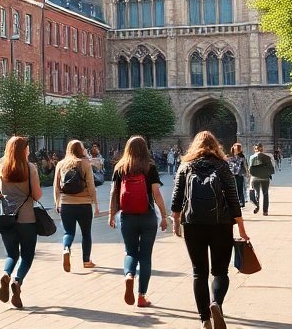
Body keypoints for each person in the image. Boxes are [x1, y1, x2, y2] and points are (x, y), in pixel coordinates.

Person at [172, 131, 248, 329]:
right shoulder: (222, 165)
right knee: (220, 271)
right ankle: (216, 303)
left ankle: (205, 319)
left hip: (192, 224)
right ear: (216, 145)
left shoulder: (185, 166)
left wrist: (176, 222)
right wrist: (241, 227)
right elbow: (233, 197)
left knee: (199, 273)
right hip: (221, 224)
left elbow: (177, 196)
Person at [109, 135, 167, 309]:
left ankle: (129, 275)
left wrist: (112, 214)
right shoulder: (150, 167)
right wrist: (164, 216)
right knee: (145, 257)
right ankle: (142, 297)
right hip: (147, 216)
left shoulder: (120, 167)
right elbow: (156, 194)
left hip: (127, 216)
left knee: (131, 252)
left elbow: (114, 193)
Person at [0, 136, 41, 308]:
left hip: (6, 218)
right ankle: (17, 281)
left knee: (12, 254)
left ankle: (6, 274)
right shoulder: (30, 168)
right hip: (27, 219)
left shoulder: (0, 168)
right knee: (27, 255)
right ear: (24, 150)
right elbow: (37, 195)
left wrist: (6, 195)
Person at [54, 139, 100, 272]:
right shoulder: (84, 163)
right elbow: (91, 185)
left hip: (66, 204)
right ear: (80, 150)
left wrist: (57, 203)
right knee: (86, 233)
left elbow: (56, 186)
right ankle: (86, 261)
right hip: (84, 204)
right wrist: (95, 203)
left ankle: (66, 248)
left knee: (68, 232)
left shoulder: (61, 164)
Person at [246, 144, 275, 215]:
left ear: (255, 149)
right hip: (265, 178)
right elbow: (272, 167)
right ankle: (265, 211)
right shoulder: (268, 156)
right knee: (265, 194)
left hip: (255, 178)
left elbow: (250, 169)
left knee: (257, 193)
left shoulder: (252, 157)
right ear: (262, 149)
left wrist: (250, 179)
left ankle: (257, 206)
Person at [227, 143, 248, 208]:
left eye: (238, 148)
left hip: (239, 174)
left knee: (240, 188)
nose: (237, 150)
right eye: (236, 148)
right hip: (232, 174)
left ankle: (241, 202)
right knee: (233, 189)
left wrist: (247, 173)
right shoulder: (230, 156)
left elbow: (245, 165)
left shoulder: (242, 156)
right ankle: (235, 202)